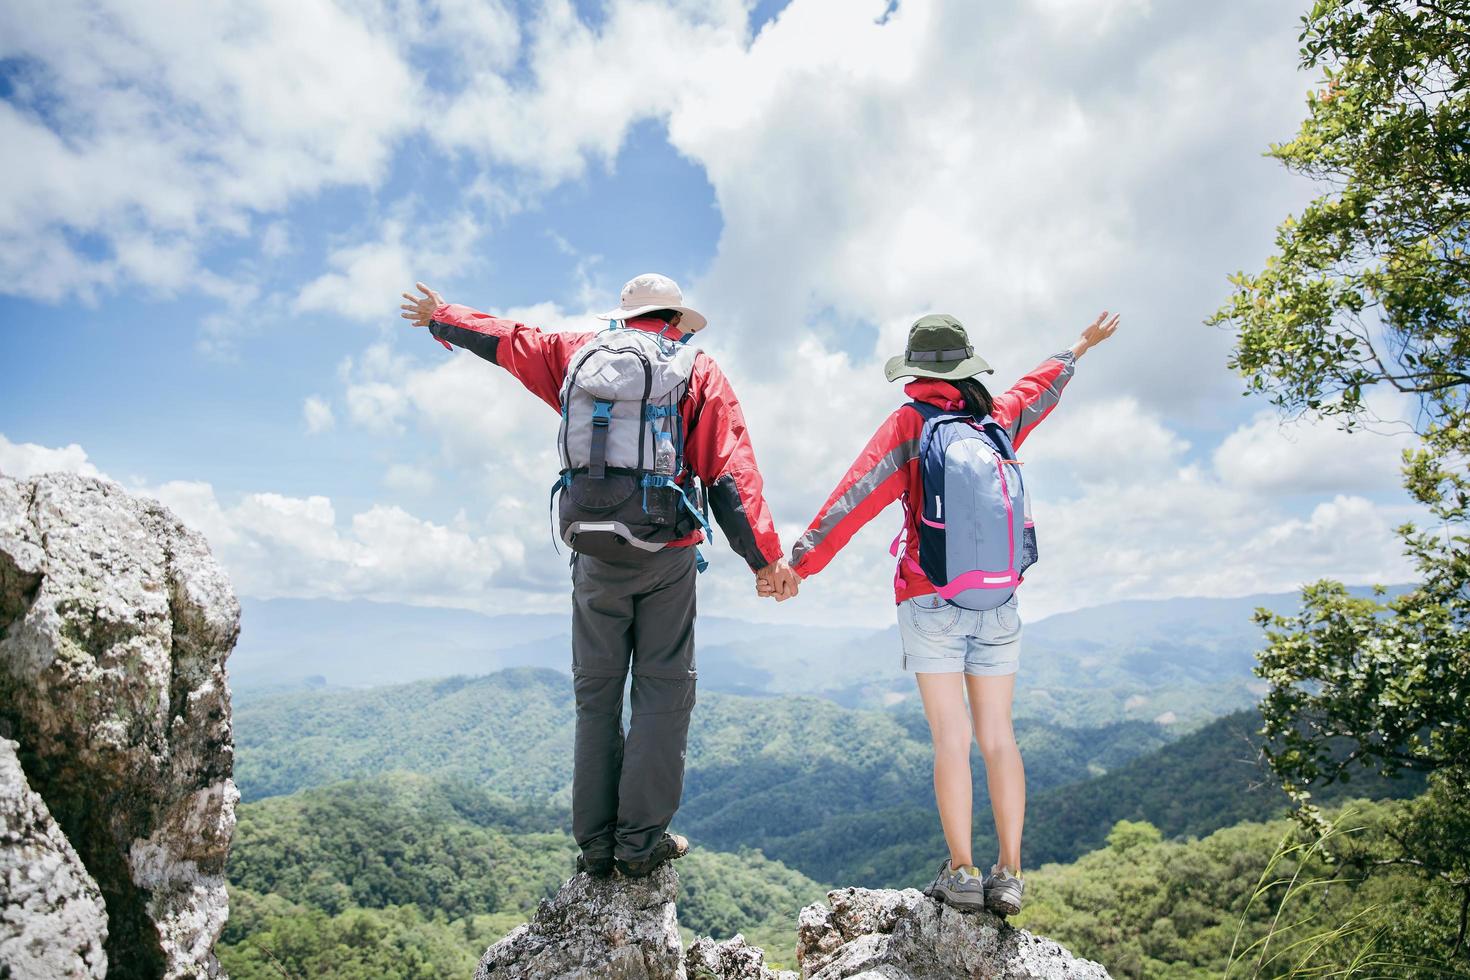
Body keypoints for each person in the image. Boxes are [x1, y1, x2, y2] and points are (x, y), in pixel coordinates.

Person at [401, 273, 800, 877]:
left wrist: (443, 317)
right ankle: (639, 845)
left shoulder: (576, 356)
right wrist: (764, 560)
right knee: (663, 695)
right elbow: (729, 472)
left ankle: (594, 846)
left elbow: (510, 341)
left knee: (597, 697)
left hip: (592, 549)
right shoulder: (697, 370)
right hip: (665, 554)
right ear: (673, 320)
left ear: (624, 317)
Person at [760, 310, 1118, 915]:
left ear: (916, 371)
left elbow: (856, 494)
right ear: (967, 365)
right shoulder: (994, 418)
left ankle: (963, 873)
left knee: (952, 741)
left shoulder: (910, 423)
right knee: (999, 739)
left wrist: (798, 564)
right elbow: (1039, 388)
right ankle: (1010, 873)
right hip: (1000, 601)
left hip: (930, 601)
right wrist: (1080, 345)